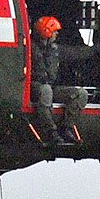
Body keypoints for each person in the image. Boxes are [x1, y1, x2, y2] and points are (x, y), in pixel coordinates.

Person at [31, 15, 91, 146]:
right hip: (34, 87)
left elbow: (76, 53)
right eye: (55, 31)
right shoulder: (30, 48)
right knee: (46, 91)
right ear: (47, 32)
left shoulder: (55, 50)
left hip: (50, 88)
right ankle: (50, 132)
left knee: (81, 94)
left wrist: (95, 50)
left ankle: (67, 128)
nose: (57, 34)